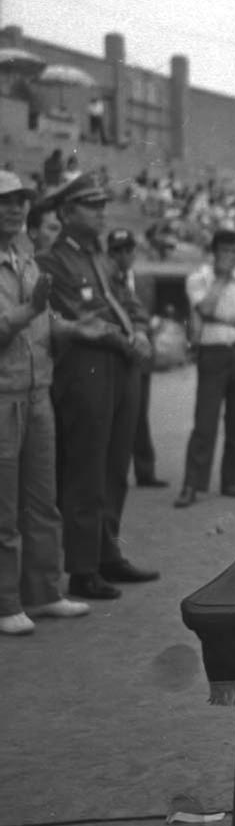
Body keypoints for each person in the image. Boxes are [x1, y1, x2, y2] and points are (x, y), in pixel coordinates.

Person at [39, 173, 159, 600]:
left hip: (120, 366)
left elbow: (128, 306)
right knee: (86, 468)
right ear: (66, 213)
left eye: (102, 205)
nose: (101, 213)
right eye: (91, 206)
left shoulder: (102, 260)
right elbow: (77, 316)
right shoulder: (52, 261)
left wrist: (141, 330)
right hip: (86, 368)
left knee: (114, 465)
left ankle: (108, 552)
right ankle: (82, 566)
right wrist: (127, 339)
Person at [0, 171, 91, 634]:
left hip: (37, 391)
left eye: (19, 201)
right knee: (5, 506)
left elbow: (42, 322)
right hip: (3, 395)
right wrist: (32, 310)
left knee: (41, 499)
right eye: (5, 202)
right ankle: (6, 601)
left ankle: (44, 592)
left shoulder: (26, 259)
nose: (14, 209)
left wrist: (79, 328)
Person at [174, 229, 235, 508]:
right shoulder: (198, 279)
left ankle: (230, 479)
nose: (230, 256)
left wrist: (224, 318)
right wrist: (221, 280)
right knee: (205, 421)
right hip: (211, 352)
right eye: (225, 250)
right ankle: (192, 484)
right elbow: (205, 309)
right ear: (214, 253)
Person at [107, 228, 168, 489]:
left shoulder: (145, 280)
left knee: (139, 413)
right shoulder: (104, 280)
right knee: (112, 413)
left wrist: (150, 326)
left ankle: (145, 470)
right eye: (117, 251)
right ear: (110, 254)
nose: (124, 256)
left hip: (140, 354)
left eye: (128, 250)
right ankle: (111, 470)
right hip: (114, 353)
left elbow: (153, 311)